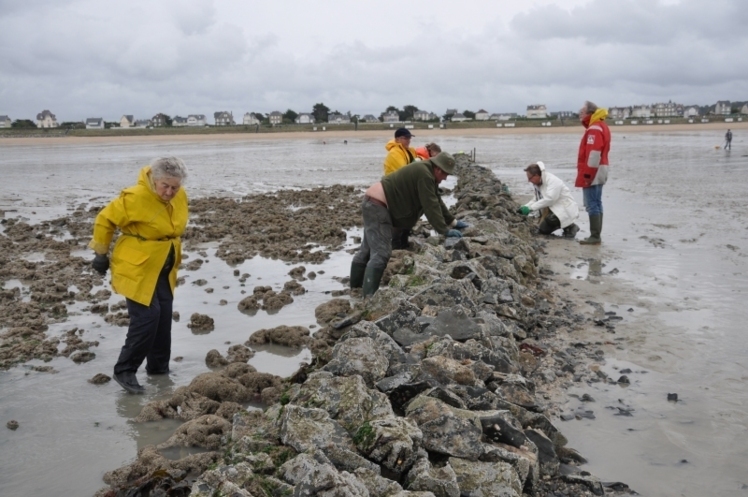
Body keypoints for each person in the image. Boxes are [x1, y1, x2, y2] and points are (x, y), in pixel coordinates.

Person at [89, 157, 189, 394]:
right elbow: (105, 220)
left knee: (164, 315)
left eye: (174, 187)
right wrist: (101, 254)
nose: (169, 192)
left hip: (163, 265)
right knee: (148, 316)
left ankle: (158, 369)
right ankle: (124, 370)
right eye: (165, 186)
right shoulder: (134, 197)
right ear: (154, 180)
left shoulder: (180, 195)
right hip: (134, 265)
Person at [350, 152, 466, 296]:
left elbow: (436, 200)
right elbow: (430, 205)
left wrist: (452, 222)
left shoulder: (426, 171)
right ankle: (368, 297)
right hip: (377, 206)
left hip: (372, 202)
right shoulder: (425, 175)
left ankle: (354, 291)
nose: (445, 178)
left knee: (367, 250)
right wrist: (443, 230)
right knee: (381, 253)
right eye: (445, 174)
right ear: (438, 169)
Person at [575, 100, 611, 245]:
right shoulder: (601, 126)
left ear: (590, 113)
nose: (579, 115)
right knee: (597, 202)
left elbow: (593, 154)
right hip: (602, 168)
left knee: (592, 203)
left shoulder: (594, 129)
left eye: (582, 113)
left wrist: (587, 175)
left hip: (594, 170)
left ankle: (595, 236)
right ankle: (596, 235)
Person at [517, 162, 580, 238]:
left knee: (551, 220)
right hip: (555, 209)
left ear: (536, 175)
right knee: (543, 230)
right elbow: (536, 199)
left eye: (530, 178)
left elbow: (550, 200)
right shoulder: (539, 184)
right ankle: (566, 225)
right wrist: (524, 207)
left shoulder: (553, 181)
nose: (529, 181)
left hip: (565, 209)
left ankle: (571, 227)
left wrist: (530, 208)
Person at [384, 128, 419, 249]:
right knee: (399, 218)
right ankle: (396, 245)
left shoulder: (408, 150)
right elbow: (405, 171)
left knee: (408, 216)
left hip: (405, 189)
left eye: (409, 138)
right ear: (397, 139)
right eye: (406, 138)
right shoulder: (395, 153)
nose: (408, 140)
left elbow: (419, 158)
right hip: (396, 189)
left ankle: (404, 242)